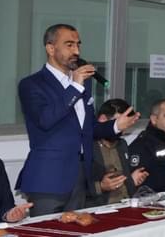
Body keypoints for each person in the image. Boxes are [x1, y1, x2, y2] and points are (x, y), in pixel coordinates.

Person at [17, 23, 138, 214]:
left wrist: (115, 126)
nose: (76, 51)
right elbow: (45, 120)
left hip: (80, 176)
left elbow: (88, 128)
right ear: (50, 48)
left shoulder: (83, 85)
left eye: (78, 45)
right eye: (69, 45)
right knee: (47, 231)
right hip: (49, 178)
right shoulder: (32, 84)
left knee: (75, 229)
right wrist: (75, 87)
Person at [90, 99, 149, 206]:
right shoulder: (87, 147)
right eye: (119, 123)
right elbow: (76, 188)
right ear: (102, 120)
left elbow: (124, 185)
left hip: (126, 205)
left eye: (126, 125)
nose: (122, 130)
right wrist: (101, 186)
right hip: (100, 208)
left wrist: (131, 180)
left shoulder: (122, 144)